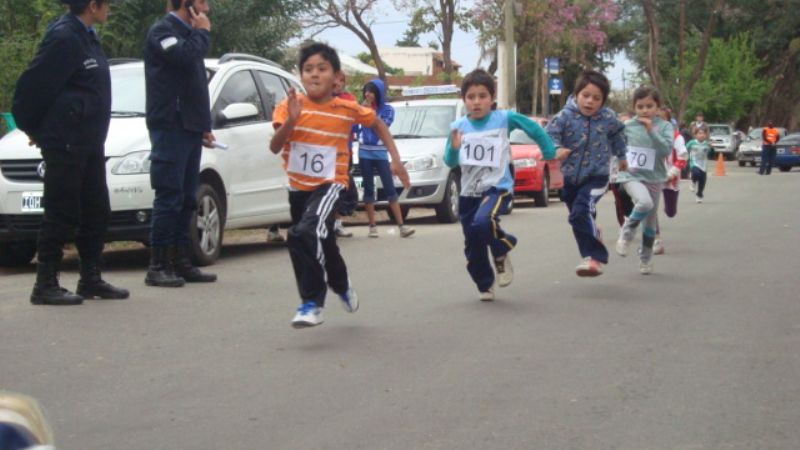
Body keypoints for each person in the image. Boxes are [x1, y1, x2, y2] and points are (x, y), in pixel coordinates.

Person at [269, 42, 411, 328]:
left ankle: (311, 302)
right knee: (322, 241)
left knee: (303, 233)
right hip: (299, 188)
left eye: (322, 69)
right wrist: (292, 121)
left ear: (336, 77)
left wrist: (395, 160)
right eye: (308, 69)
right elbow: (275, 147)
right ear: (300, 75)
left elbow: (378, 125)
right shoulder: (289, 106)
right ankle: (342, 283)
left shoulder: (346, 108)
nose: (314, 75)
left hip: (331, 184)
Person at [12, 0, 129, 305]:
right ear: (93, 5)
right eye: (108, 3)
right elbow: (31, 89)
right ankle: (45, 283)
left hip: (89, 141)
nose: (111, 8)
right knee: (61, 211)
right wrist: (34, 130)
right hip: (66, 141)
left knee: (96, 210)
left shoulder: (87, 36)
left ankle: (90, 279)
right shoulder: (64, 37)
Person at [445, 69, 555, 301]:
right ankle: (484, 283)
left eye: (482, 96)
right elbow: (450, 161)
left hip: (497, 187)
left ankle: (502, 247)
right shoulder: (458, 126)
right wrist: (454, 147)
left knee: (483, 222)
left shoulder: (504, 118)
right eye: (471, 97)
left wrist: (548, 151)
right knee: (473, 243)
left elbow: (533, 128)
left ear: (492, 98)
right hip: (468, 193)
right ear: (463, 100)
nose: (477, 102)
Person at [143, 0, 217, 287]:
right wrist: (203, 33)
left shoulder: (190, 35)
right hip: (169, 126)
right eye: (201, 2)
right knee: (169, 196)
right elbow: (184, 59)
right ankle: (158, 265)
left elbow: (194, 84)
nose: (207, 7)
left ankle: (181, 261)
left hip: (189, 127)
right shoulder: (163, 32)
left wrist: (203, 125)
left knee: (187, 198)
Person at [546, 70, 627, 277]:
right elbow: (550, 135)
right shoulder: (563, 117)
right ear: (576, 94)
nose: (590, 101)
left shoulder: (608, 118)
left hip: (597, 176)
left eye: (596, 98)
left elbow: (618, 134)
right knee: (577, 217)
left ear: (603, 101)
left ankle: (593, 258)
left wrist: (622, 156)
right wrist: (555, 149)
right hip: (570, 178)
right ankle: (595, 234)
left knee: (581, 210)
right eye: (586, 95)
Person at [615, 86, 673, 275]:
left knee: (650, 224)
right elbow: (618, 146)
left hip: (654, 178)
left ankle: (645, 259)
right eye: (640, 106)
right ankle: (626, 234)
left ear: (657, 107)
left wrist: (651, 131)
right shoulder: (628, 126)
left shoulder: (665, 126)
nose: (645, 110)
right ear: (634, 107)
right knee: (644, 202)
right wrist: (620, 159)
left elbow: (665, 151)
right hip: (631, 175)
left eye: (649, 106)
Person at [358, 79, 415, 238]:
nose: (368, 94)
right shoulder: (360, 109)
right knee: (368, 188)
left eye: (371, 91)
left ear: (379, 93)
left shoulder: (388, 109)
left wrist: (370, 112)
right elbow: (355, 126)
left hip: (381, 152)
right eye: (366, 91)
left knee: (389, 187)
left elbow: (383, 125)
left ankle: (402, 225)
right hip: (364, 152)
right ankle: (372, 226)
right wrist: (362, 111)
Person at [653, 107, 688, 255]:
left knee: (670, 212)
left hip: (670, 178)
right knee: (650, 207)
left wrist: (671, 173)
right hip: (652, 177)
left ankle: (669, 208)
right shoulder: (648, 136)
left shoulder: (676, 137)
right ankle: (656, 240)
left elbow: (683, 157)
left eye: (661, 118)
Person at [332, 72, 358, 238]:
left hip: (343, 152)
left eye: (341, 81)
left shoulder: (349, 99)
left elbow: (355, 123)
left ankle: (338, 223)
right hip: (323, 151)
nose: (338, 84)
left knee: (340, 188)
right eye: (335, 81)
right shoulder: (321, 98)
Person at [687, 127, 712, 203]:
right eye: (699, 133)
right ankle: (693, 181)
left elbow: (710, 154)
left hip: (703, 164)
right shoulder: (691, 143)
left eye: (703, 133)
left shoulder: (707, 144)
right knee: (696, 173)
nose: (701, 135)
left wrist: (711, 148)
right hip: (694, 162)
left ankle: (699, 194)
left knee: (702, 182)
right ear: (695, 135)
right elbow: (685, 150)